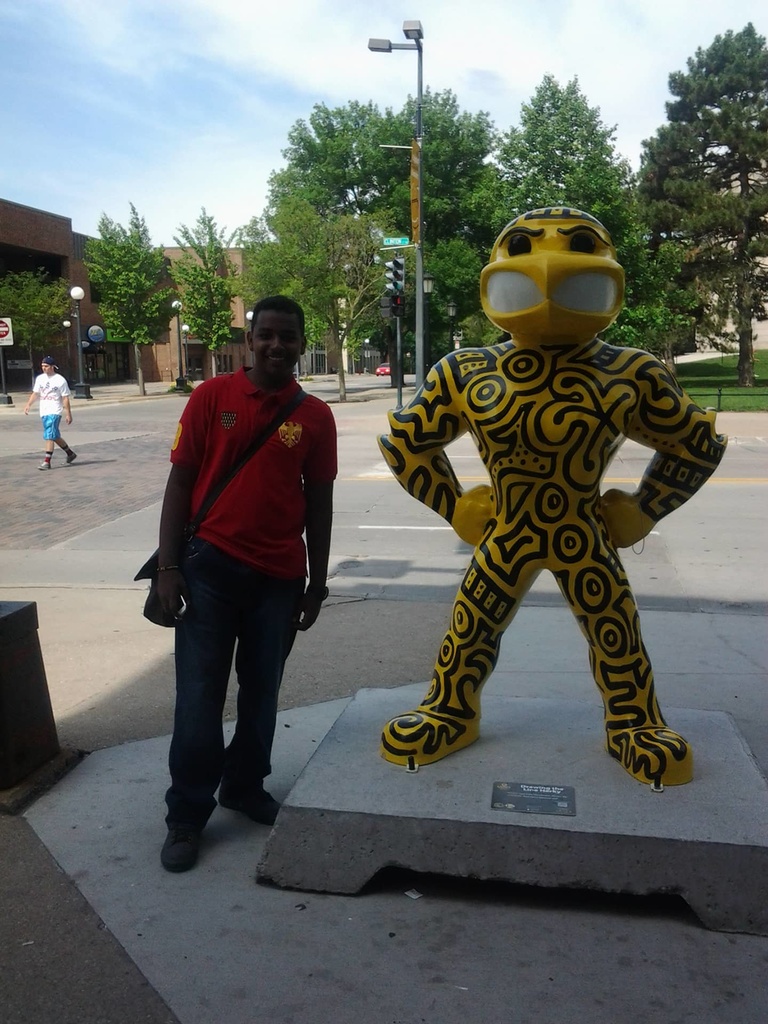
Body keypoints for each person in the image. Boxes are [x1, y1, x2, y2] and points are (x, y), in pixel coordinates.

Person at [378, 207, 726, 788]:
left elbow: (697, 443)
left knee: (613, 625)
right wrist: (454, 504)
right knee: (472, 626)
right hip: (510, 531)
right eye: (522, 246)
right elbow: (406, 443)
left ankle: (633, 723)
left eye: (579, 243)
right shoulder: (465, 371)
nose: (546, 263)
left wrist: (645, 508)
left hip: (579, 529)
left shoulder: (630, 373)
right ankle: (450, 710)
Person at [155, 295, 337, 872]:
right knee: (199, 699)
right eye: (266, 335)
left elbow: (321, 504)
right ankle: (186, 815)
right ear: (250, 338)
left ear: (301, 342)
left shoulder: (315, 417)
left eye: (288, 336)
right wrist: (167, 567)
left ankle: (244, 785)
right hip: (208, 570)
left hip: (279, 579)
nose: (276, 345)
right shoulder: (212, 398)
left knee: (262, 694)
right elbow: (180, 484)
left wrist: (317, 583)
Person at [23, 356, 77, 469]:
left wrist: (68, 413)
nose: (44, 368)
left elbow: (65, 398)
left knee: (49, 435)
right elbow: (36, 393)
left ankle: (47, 461)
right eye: (42, 366)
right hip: (44, 411)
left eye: (46, 366)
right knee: (54, 435)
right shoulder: (40, 379)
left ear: (53, 367)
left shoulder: (60, 380)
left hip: (55, 411)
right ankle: (70, 453)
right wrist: (28, 404)